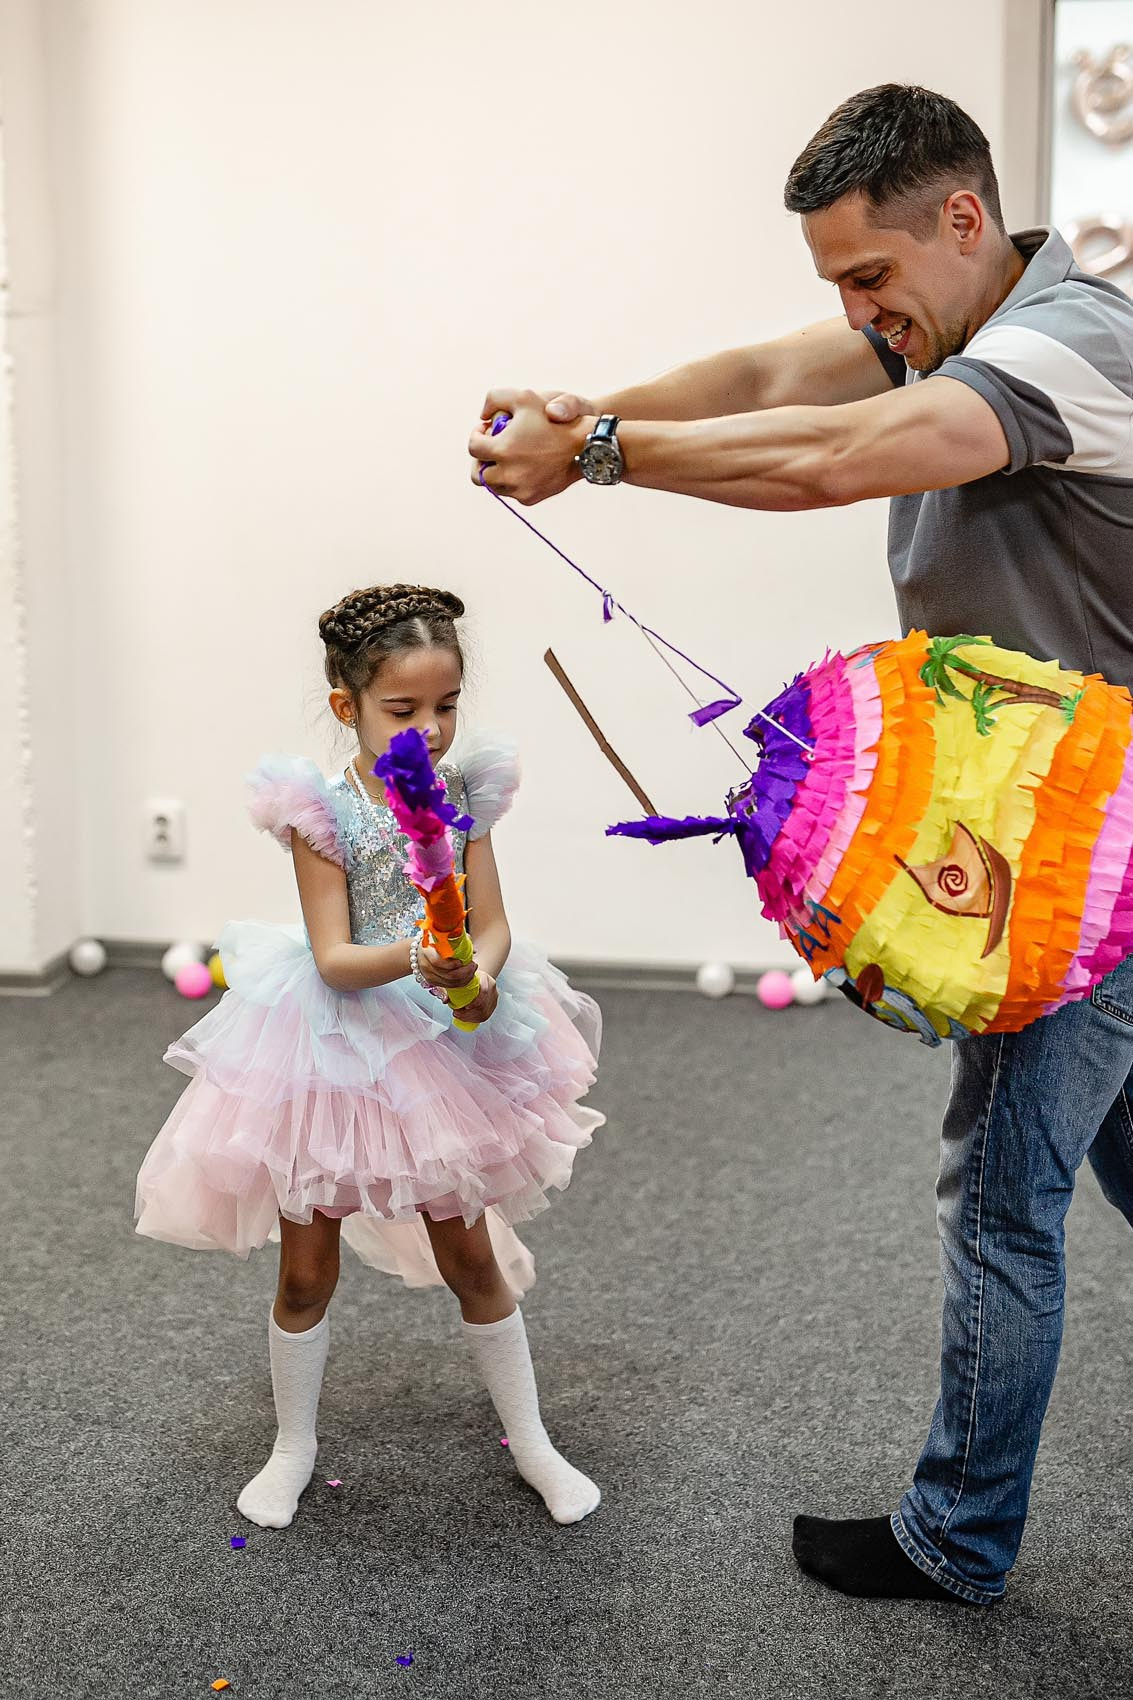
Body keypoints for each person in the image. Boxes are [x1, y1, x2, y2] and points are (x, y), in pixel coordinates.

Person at [468, 83, 1133, 1606]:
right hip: (1067, 835)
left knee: (1004, 1189)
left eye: (872, 279)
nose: (856, 310)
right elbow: (775, 372)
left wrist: (609, 457)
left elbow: (848, 449)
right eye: (840, 281)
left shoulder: (1067, 348)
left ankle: (953, 1540)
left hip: (1093, 857)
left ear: (963, 219)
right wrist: (588, 418)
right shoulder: (950, 315)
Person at [135, 583, 604, 1531]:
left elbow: (493, 920)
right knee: (306, 1268)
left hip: (444, 1049)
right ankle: (291, 1445)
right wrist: (424, 957)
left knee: (472, 1257)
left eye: (446, 705)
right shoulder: (322, 813)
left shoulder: (463, 794)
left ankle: (534, 1440)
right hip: (335, 1051)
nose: (428, 729)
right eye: (402, 709)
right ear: (347, 706)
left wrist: (478, 975)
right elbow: (336, 958)